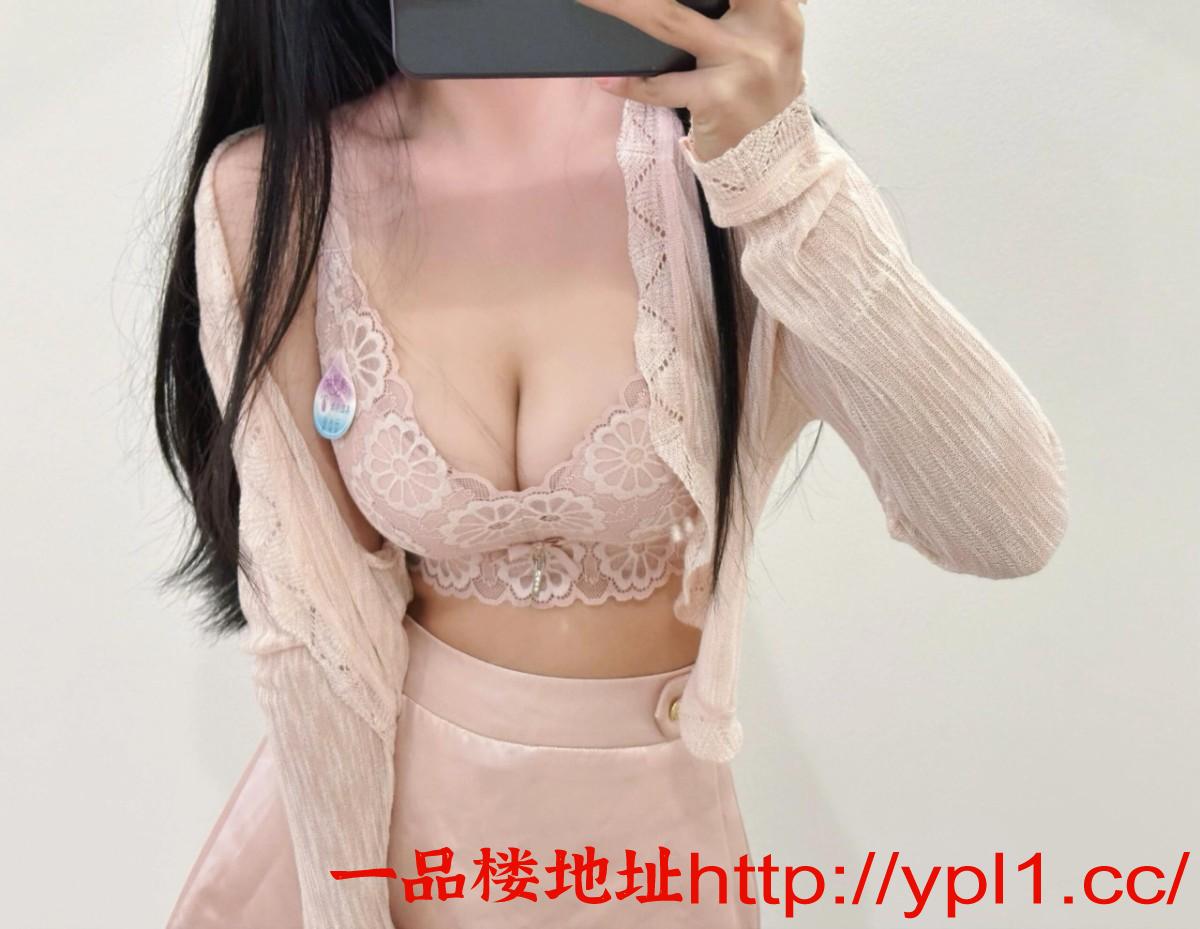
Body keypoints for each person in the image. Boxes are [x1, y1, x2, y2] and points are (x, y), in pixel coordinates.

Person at [155, 2, 1069, 927]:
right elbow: (315, 636)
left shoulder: (729, 165)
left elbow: (1005, 525)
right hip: (388, 840)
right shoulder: (277, 192)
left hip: (650, 855)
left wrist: (783, 171)